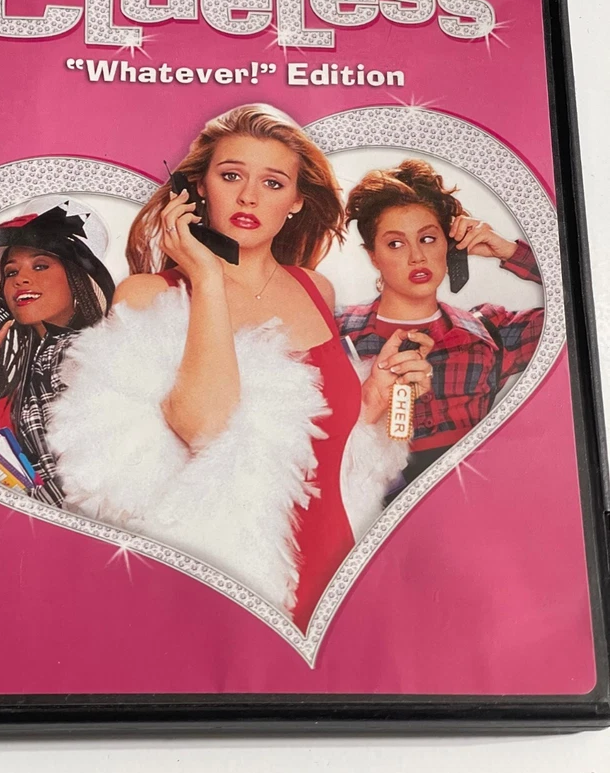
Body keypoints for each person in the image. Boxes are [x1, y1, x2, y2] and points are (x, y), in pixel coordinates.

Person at [48, 106, 406, 631]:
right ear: (198, 187)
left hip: (339, 562)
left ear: (296, 200)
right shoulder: (149, 296)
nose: (248, 197)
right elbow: (207, 427)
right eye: (231, 175)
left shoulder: (315, 289)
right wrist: (207, 279)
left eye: (273, 182)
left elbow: (342, 447)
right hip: (226, 578)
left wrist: (379, 403)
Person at [337, 158, 544, 498]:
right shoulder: (335, 331)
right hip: (366, 517)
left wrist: (509, 251)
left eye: (428, 238)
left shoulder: (489, 335)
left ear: (448, 245)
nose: (417, 257)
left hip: (468, 509)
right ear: (372, 255)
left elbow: (592, 308)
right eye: (395, 243)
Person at [0, 200, 116, 506]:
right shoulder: (21, 379)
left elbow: (83, 486)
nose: (20, 279)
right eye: (11, 272)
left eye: (40, 265)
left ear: (77, 281)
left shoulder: (78, 356)